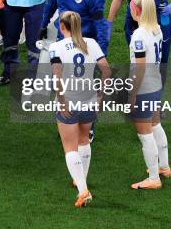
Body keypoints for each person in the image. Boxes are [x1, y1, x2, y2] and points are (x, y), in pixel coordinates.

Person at [39, 0, 111, 142]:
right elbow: (50, 6)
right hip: (64, 41)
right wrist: (42, 25)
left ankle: (88, 126)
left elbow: (101, 25)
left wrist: (100, 52)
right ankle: (67, 121)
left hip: (84, 45)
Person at [50, 11, 111, 207]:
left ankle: (83, 190)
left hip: (69, 100)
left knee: (70, 147)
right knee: (84, 140)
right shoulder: (91, 43)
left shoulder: (56, 47)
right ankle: (80, 179)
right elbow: (106, 71)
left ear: (62, 27)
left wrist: (61, 100)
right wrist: (100, 95)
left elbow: (57, 76)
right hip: (89, 99)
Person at [126, 0, 171, 190]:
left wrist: (132, 94)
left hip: (144, 87)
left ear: (137, 11)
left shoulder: (138, 35)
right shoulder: (157, 30)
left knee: (144, 133)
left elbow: (139, 68)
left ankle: (153, 177)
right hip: (156, 83)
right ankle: (164, 166)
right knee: (155, 124)